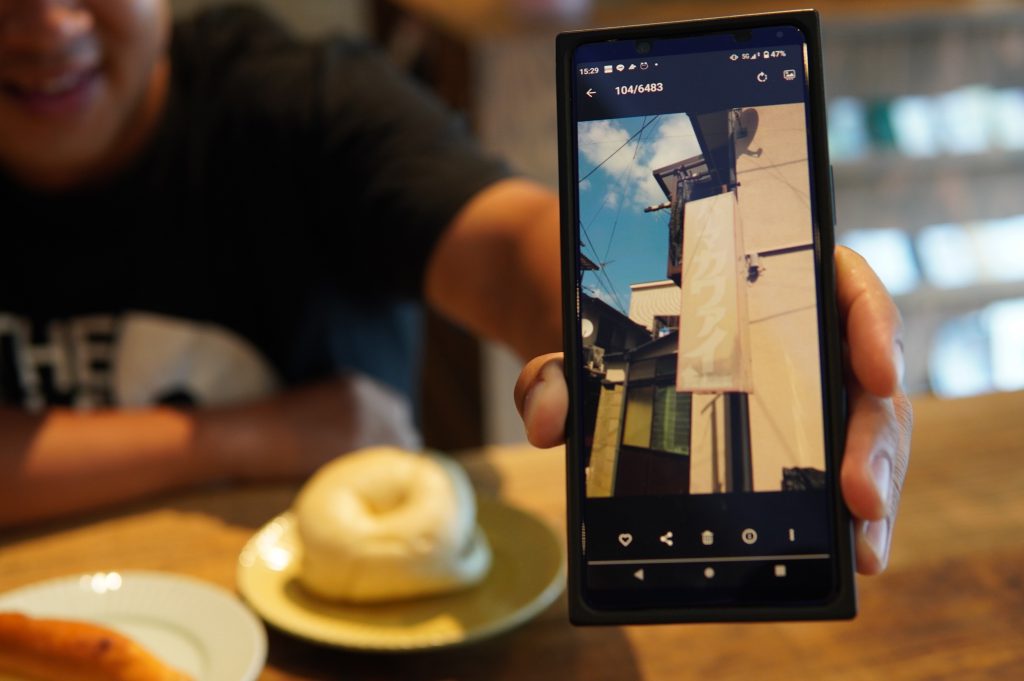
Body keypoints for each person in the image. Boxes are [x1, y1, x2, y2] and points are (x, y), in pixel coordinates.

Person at [0, 0, 910, 576]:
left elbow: (505, 246)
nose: (47, 24)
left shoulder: (294, 98)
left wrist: (741, 305)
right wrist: (249, 435)